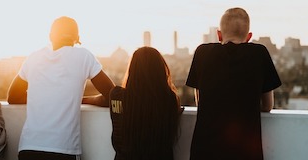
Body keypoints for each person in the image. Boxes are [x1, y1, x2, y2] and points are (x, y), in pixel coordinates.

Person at [7, 16, 115, 160]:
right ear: (77, 38)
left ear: (50, 36)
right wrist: (83, 100)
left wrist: (43, 98)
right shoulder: (83, 57)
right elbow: (112, 95)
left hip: (29, 148)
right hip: (63, 150)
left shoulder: (34, 58)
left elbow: (12, 97)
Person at [186, 7, 282, 160]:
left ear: (219, 34)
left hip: (205, 150)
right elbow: (267, 105)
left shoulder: (202, 53)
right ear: (249, 36)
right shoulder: (259, 54)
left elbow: (200, 101)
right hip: (245, 152)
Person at [109, 47, 182, 160]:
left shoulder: (117, 96)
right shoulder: (169, 100)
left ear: (132, 69)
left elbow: (104, 98)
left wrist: (83, 99)